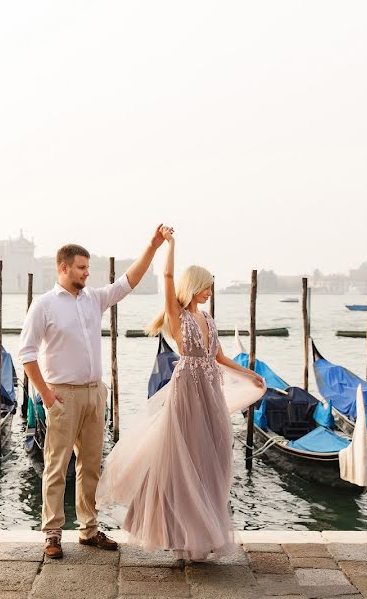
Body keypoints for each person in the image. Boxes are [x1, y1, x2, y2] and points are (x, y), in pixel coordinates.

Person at [96, 227, 266, 564]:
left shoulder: (208, 319)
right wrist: (171, 245)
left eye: (210, 287)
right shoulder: (179, 316)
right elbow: (168, 274)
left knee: (210, 462)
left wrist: (251, 373)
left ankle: (203, 535)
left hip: (210, 396)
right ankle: (177, 536)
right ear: (193, 286)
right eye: (204, 286)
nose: (208, 292)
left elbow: (219, 358)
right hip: (186, 394)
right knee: (180, 464)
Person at [18, 225, 166, 559]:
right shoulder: (43, 305)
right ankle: (53, 534)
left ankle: (89, 529)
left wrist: (153, 246)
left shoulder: (94, 299)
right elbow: (26, 354)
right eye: (82, 268)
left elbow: (129, 281)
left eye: (88, 268)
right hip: (62, 395)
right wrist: (45, 394)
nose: (87, 273)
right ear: (63, 268)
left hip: (94, 393)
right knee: (56, 467)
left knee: (91, 466)